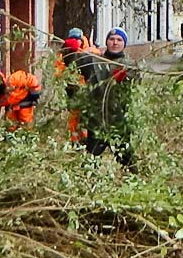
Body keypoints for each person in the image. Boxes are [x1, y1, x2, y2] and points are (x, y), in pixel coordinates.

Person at [77, 27, 136, 167]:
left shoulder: (129, 64)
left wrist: (125, 78)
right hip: (96, 119)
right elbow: (74, 62)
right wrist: (71, 48)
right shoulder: (94, 61)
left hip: (118, 119)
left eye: (119, 40)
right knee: (91, 159)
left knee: (126, 158)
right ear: (107, 41)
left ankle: (133, 182)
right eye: (112, 39)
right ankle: (89, 183)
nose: (115, 42)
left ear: (124, 44)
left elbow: (134, 86)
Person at [55, 28, 100, 142]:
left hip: (88, 89)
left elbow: (98, 60)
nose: (75, 40)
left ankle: (87, 140)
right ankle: (75, 140)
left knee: (87, 115)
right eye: (72, 39)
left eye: (77, 39)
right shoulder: (64, 52)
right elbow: (59, 72)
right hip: (72, 89)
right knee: (74, 115)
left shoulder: (90, 51)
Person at [0, 69, 41, 134]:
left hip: (24, 100)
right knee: (10, 123)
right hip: (11, 107)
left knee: (25, 121)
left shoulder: (13, 80)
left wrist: (35, 93)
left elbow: (31, 80)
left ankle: (27, 135)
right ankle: (12, 137)